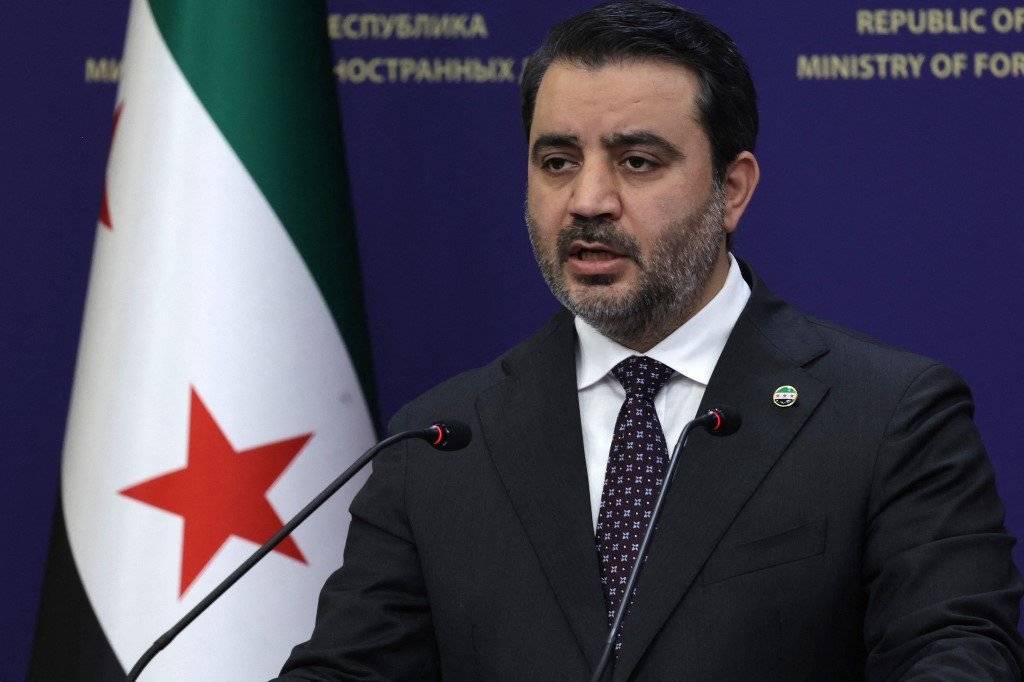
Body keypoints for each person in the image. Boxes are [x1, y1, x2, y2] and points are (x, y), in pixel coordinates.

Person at [277, 2, 1023, 679]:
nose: (588, 200)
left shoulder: (885, 415)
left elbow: (956, 649)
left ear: (732, 189)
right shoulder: (440, 441)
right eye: (557, 162)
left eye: (637, 162)